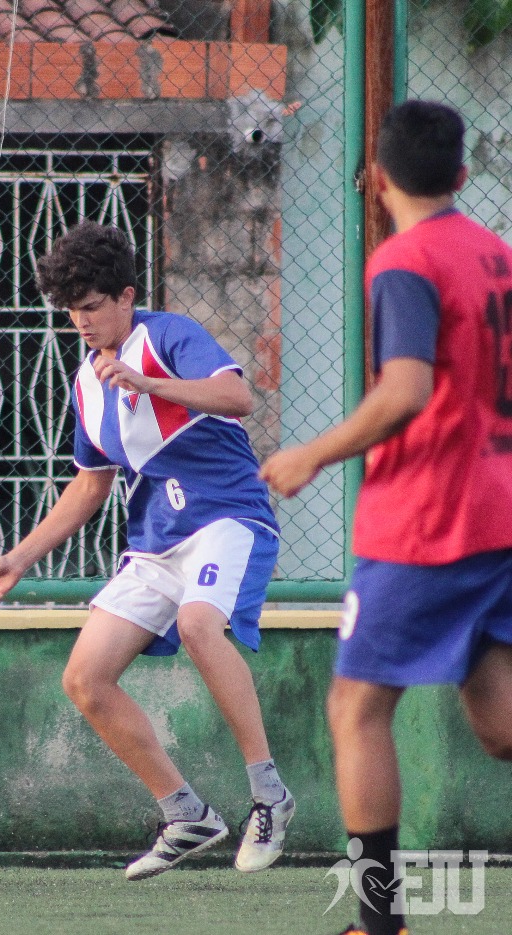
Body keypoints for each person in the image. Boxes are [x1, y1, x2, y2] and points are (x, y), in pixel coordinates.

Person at [0, 222, 294, 881]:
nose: (81, 323)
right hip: (154, 545)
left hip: (227, 516)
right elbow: (90, 486)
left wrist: (151, 385)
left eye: (91, 307)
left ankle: (269, 795)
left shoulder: (165, 336)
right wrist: (20, 557)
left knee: (202, 624)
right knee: (84, 678)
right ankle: (187, 813)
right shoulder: (86, 384)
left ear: (125, 296)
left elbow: (237, 397)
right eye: (70, 312)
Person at [260, 100, 512, 935]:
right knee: (502, 726)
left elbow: (404, 392)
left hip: (426, 524)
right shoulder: (497, 255)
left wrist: (309, 455)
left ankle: (379, 923)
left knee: (356, 709)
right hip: (500, 513)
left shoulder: (406, 261)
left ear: (375, 178)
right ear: (464, 178)